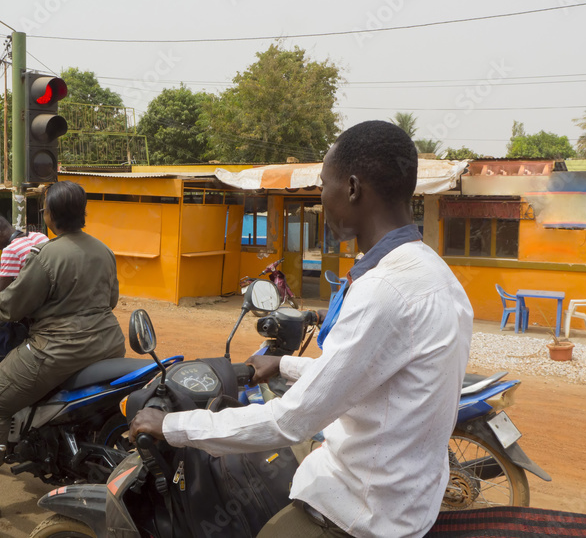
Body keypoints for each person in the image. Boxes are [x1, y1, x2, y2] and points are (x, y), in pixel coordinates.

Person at [130, 121, 473, 538]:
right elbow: (368, 379)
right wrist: (285, 365)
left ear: (351, 188)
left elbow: (291, 421)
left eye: (323, 186)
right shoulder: (433, 273)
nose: (320, 199)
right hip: (408, 494)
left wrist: (172, 427)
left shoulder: (383, 290)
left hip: (363, 512)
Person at [0, 181, 125, 519]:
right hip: (109, 344)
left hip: (58, 349)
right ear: (82, 213)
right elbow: (110, 300)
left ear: (50, 215)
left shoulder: (49, 254)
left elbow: (12, 306)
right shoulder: (103, 250)